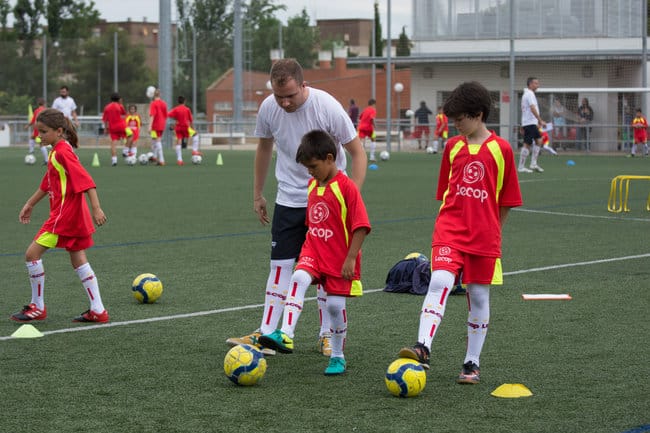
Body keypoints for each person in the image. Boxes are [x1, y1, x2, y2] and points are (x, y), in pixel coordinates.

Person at [226, 58, 367, 357]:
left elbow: (357, 151)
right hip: (288, 199)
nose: (285, 103)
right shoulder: (268, 108)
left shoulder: (327, 106)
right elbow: (264, 147)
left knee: (326, 271)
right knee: (280, 267)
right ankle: (266, 335)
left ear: (303, 85)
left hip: (328, 204)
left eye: (290, 96)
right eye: (279, 97)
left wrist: (349, 196)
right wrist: (257, 194)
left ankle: (327, 336)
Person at [397, 81, 523, 385]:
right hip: (450, 229)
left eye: (460, 119)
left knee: (478, 295)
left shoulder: (502, 149)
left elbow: (507, 201)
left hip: (484, 237)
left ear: (478, 115)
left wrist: (493, 230)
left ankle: (471, 363)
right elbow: (446, 193)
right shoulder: (453, 146)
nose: (455, 124)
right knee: (439, 279)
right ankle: (422, 347)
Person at [258, 130, 371, 375]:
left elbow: (361, 226)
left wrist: (351, 258)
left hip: (339, 258)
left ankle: (338, 355)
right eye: (307, 168)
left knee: (334, 306)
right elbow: (313, 223)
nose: (310, 172)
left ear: (330, 158)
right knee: (297, 278)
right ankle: (286, 334)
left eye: (313, 166)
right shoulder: (311, 185)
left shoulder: (346, 188)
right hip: (314, 251)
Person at [11, 108, 109, 324]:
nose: (39, 136)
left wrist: (97, 208)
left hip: (64, 216)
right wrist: (30, 204)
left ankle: (38, 306)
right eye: (38, 131)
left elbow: (86, 179)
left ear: (58, 131)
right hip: (72, 214)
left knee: (31, 254)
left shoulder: (62, 152)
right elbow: (48, 183)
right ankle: (98, 310)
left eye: (43, 132)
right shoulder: (57, 150)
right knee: (78, 258)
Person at [519, 76, 547, 173]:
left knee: (539, 140)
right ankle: (521, 167)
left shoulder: (527, 94)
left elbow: (525, 110)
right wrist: (540, 120)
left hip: (530, 123)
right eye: (535, 83)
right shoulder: (529, 94)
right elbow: (532, 108)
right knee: (527, 144)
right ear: (530, 84)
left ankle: (533, 163)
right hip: (530, 123)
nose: (537, 85)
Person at [102, 92, 134, 166]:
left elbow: (105, 119)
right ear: (119, 99)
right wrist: (121, 104)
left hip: (112, 127)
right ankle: (125, 151)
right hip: (122, 126)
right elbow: (124, 114)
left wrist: (105, 128)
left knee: (113, 143)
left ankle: (114, 160)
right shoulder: (119, 106)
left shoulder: (107, 107)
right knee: (131, 135)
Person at [167, 95, 200, 165]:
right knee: (196, 135)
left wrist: (173, 124)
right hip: (185, 127)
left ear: (178, 102)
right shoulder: (187, 109)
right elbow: (191, 120)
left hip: (178, 128)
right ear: (184, 101)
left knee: (179, 142)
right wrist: (193, 129)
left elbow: (168, 115)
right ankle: (194, 151)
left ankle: (179, 160)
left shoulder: (175, 109)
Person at [148, 88, 168, 166]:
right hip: (162, 124)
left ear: (153, 95)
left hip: (155, 125)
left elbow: (152, 115)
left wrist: (149, 126)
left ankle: (162, 160)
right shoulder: (164, 103)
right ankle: (155, 156)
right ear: (160, 94)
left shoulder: (153, 103)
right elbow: (166, 115)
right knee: (154, 140)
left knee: (157, 141)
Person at [26, 98, 49, 164]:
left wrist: (28, 125)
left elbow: (33, 120)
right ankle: (31, 150)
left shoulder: (37, 111)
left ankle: (46, 160)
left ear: (38, 104)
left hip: (38, 129)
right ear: (44, 103)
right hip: (45, 129)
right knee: (33, 138)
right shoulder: (46, 110)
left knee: (41, 143)